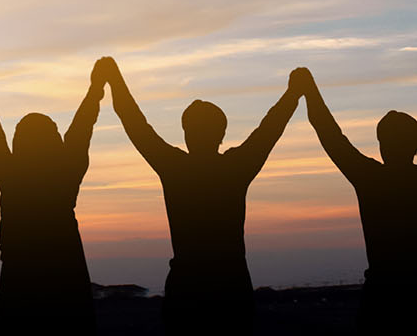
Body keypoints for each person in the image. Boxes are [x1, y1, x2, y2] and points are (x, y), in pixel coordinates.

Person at [110, 61, 297, 335]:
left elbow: (135, 124)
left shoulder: (174, 166)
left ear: (185, 132)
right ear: (222, 133)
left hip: (187, 289)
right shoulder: (236, 166)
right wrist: (293, 93)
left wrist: (114, 80)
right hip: (231, 289)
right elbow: (270, 127)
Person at [0, 61, 105, 336]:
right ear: (55, 141)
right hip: (67, 273)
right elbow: (83, 125)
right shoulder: (66, 171)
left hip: (21, 275)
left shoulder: (11, 174)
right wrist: (96, 87)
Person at [296, 67, 415, 335]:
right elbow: (330, 134)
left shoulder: (370, 178)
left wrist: (309, 90)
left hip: (382, 295)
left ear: (382, 145)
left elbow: (329, 134)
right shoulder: (372, 177)